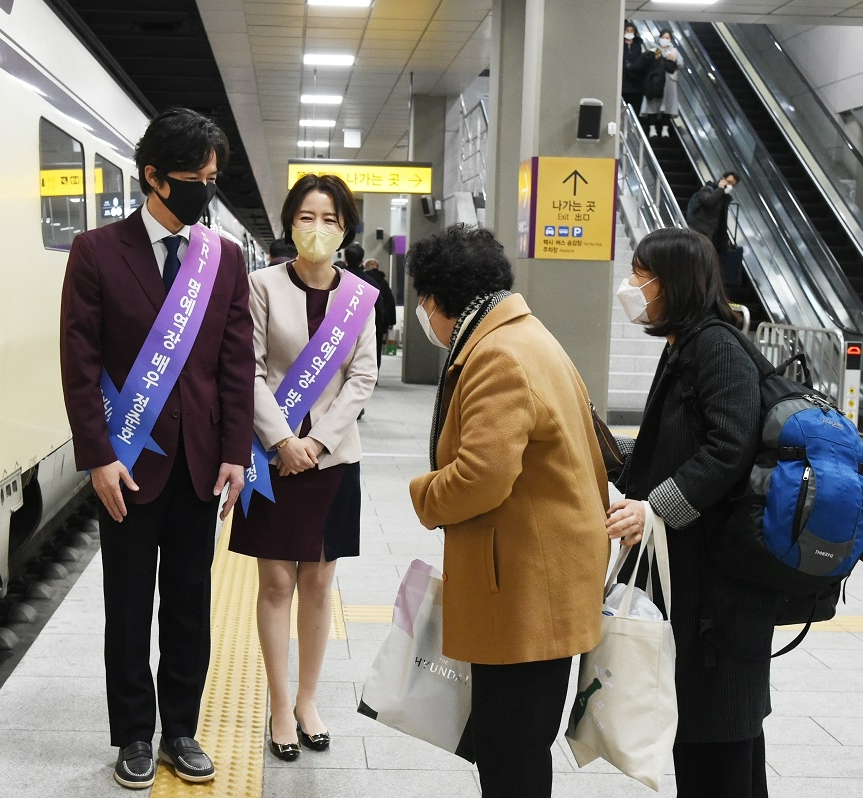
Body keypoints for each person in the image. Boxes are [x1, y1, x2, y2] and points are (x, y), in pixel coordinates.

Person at [59, 107, 255, 789]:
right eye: (195, 178)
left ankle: (180, 729)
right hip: (129, 465)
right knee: (130, 603)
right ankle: (134, 735)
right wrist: (97, 456)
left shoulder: (222, 259)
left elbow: (236, 362)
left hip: (201, 464)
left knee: (189, 605)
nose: (206, 189)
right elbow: (79, 362)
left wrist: (235, 451)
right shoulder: (96, 253)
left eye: (212, 177)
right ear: (153, 177)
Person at [406, 225, 609, 798]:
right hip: (540, 577)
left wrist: (425, 494)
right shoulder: (525, 334)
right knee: (516, 741)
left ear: (441, 300)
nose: (426, 318)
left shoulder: (497, 356)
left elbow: (482, 475)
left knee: (509, 747)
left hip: (525, 590)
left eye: (424, 304)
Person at [605, 227, 770, 798]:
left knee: (718, 737)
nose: (633, 286)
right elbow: (666, 447)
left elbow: (730, 447)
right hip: (696, 583)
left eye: (642, 274)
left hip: (721, 594)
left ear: (673, 282)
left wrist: (655, 510)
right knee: (711, 738)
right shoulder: (684, 345)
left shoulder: (717, 347)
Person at [230, 174, 377, 762]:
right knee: (276, 583)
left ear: (346, 230)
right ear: (290, 223)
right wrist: (283, 439)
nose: (319, 229)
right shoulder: (261, 285)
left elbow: (361, 377)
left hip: (334, 458)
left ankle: (309, 701)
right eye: (308, 217)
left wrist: (315, 443)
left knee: (319, 583)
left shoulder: (358, 297)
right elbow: (250, 368)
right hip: (274, 458)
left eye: (331, 220)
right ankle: (279, 703)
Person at [687, 171, 740, 257]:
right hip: (698, 232)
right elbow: (709, 201)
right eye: (729, 182)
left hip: (710, 236)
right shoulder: (707, 188)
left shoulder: (724, 198)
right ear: (722, 179)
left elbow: (722, 220)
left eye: (733, 185)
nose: (730, 186)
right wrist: (720, 189)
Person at [641, 29, 682, 138]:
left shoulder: (674, 51)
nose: (665, 40)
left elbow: (681, 64)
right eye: (663, 37)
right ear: (659, 38)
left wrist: (673, 58)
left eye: (667, 38)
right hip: (655, 82)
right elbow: (646, 62)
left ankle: (665, 130)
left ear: (671, 40)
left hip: (669, 83)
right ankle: (652, 129)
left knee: (668, 106)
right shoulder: (654, 50)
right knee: (652, 105)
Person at [362, 257, 397, 369]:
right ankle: (375, 373)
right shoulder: (383, 283)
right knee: (376, 348)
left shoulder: (363, 280)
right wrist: (391, 321)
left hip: (362, 320)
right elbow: (390, 302)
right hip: (379, 322)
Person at [621, 21, 648, 117]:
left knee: (635, 107)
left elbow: (655, 51)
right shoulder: (620, 45)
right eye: (627, 31)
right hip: (623, 81)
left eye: (631, 31)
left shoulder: (638, 45)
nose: (629, 33)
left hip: (636, 81)